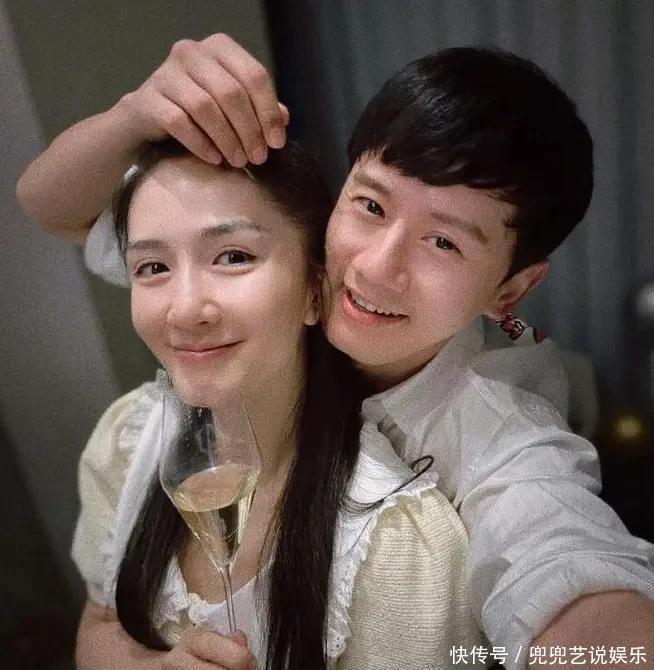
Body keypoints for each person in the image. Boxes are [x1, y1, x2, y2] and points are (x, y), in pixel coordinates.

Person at [17, 34, 654, 668]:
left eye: (444, 243)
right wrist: (137, 113)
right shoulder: (292, 255)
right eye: (371, 204)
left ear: (509, 290)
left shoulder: (493, 430)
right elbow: (48, 207)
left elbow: (560, 556)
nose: (373, 268)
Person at [68, 138, 484, 670]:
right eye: (152, 267)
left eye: (233, 257)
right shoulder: (128, 440)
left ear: (315, 290)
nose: (185, 309)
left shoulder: (397, 543)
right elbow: (99, 626)